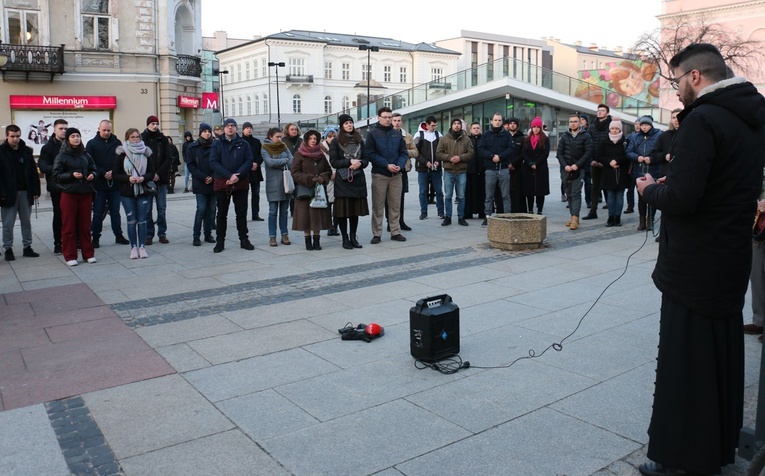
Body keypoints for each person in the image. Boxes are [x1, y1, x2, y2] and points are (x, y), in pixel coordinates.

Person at [635, 43, 765, 476]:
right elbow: (723, 182)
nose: (676, 92)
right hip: (729, 257)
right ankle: (716, 446)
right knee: (719, 358)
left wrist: (650, 189)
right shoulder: (750, 115)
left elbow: (682, 199)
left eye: (676, 81)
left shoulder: (703, 119)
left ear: (695, 77)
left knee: (685, 363)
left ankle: (679, 458)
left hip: (693, 266)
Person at [52, 128, 98, 266]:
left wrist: (93, 175)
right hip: (69, 194)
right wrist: (71, 175)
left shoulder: (85, 154)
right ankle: (70, 256)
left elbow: (93, 168)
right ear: (68, 139)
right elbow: (56, 176)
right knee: (69, 226)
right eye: (73, 136)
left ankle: (88, 254)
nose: (76, 138)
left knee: (85, 225)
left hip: (85, 192)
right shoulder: (61, 156)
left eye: (78, 136)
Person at [209, 118, 255, 253]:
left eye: (233, 126)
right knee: (221, 214)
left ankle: (244, 239)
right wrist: (229, 176)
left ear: (236, 128)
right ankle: (220, 241)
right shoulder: (217, 144)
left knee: (241, 213)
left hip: (240, 184)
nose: (230, 128)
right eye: (228, 126)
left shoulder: (243, 143)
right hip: (222, 183)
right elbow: (213, 162)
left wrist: (238, 175)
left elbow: (249, 161)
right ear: (224, 128)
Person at [366, 107, 408, 243]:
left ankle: (395, 231)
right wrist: (386, 164)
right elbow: (370, 154)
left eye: (390, 117)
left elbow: (404, 153)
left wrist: (399, 166)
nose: (388, 119)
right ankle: (377, 233)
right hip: (380, 174)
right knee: (378, 206)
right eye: (385, 117)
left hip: (396, 175)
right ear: (378, 117)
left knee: (395, 205)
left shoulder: (397, 134)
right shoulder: (373, 133)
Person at [0, 125, 41, 261]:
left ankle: (27, 247)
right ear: (7, 136)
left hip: (25, 191)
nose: (15, 139)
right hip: (8, 193)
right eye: (12, 136)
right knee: (8, 223)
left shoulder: (26, 151)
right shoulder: (1, 151)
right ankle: (8, 248)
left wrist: (36, 190)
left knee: (26, 222)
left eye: (17, 136)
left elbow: (33, 173)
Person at [87, 119, 129, 248]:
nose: (106, 132)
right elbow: (89, 162)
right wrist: (102, 172)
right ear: (99, 129)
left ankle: (118, 235)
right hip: (99, 184)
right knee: (98, 212)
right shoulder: (92, 143)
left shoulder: (117, 143)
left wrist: (113, 171)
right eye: (104, 130)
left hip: (114, 183)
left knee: (115, 212)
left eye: (108, 130)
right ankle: (95, 237)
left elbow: (121, 160)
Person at [113, 128, 155, 259]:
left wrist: (144, 178)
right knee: (131, 221)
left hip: (142, 190)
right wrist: (128, 179)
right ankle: (133, 248)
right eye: (133, 137)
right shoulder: (122, 154)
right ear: (127, 138)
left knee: (142, 221)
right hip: (127, 192)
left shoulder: (146, 153)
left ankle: (142, 247)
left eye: (137, 137)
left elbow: (152, 172)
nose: (136, 139)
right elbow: (115, 174)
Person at [329, 114, 369, 250]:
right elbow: (333, 161)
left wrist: (360, 163)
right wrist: (349, 161)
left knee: (354, 211)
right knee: (342, 211)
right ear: (341, 125)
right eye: (346, 123)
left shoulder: (359, 140)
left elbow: (366, 159)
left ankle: (353, 237)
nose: (349, 125)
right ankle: (345, 238)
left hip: (357, 178)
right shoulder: (335, 141)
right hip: (343, 179)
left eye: (350, 122)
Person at [291, 130, 332, 250]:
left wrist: (322, 178)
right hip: (305, 190)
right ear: (306, 140)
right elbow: (294, 172)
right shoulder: (299, 154)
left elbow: (328, 170)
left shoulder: (321, 155)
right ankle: (308, 241)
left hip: (319, 190)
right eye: (311, 138)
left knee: (317, 216)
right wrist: (309, 179)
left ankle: (317, 240)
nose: (313, 141)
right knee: (305, 217)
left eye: (315, 139)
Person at [556, 114, 592, 230]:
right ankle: (572, 215)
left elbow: (588, 152)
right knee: (569, 193)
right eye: (571, 121)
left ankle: (575, 217)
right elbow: (559, 153)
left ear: (580, 123)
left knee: (576, 193)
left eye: (575, 121)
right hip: (566, 170)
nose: (573, 123)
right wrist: (565, 165)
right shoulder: (564, 137)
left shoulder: (585, 136)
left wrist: (577, 165)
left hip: (579, 169)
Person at [141, 115, 173, 245]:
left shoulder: (163, 139)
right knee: (147, 209)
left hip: (161, 179)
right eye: (152, 123)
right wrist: (150, 174)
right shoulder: (142, 138)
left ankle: (162, 233)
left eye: (156, 123)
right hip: (148, 178)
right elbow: (142, 159)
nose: (155, 126)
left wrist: (159, 174)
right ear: (148, 125)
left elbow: (168, 158)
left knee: (161, 208)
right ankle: (149, 234)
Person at [478, 113, 514, 226]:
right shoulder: (486, 135)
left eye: (499, 120)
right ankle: (487, 217)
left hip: (503, 169)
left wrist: (500, 157)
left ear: (502, 122)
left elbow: (511, 148)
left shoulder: (507, 135)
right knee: (489, 195)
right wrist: (491, 156)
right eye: (495, 120)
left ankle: (507, 216)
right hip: (490, 170)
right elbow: (480, 149)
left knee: (505, 195)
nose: (497, 122)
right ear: (492, 121)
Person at [627, 115, 661, 231]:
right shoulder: (635, 137)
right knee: (641, 198)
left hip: (653, 171)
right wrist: (638, 157)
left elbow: (660, 153)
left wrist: (652, 158)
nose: (644, 127)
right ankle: (642, 221)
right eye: (642, 125)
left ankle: (650, 221)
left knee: (652, 197)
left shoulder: (659, 136)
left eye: (646, 125)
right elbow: (629, 152)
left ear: (651, 125)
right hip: (639, 171)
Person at [38, 119, 68, 254]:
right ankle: (58, 243)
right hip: (56, 187)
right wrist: (58, 169)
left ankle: (75, 240)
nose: (63, 131)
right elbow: (42, 166)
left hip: (72, 186)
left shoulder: (71, 145)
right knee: (59, 215)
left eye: (65, 128)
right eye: (61, 128)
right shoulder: (48, 147)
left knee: (72, 215)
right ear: (54, 130)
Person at [436, 117, 473, 226]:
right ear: (451, 125)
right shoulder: (444, 139)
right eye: (454, 123)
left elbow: (471, 153)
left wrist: (460, 158)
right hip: (448, 170)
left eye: (458, 124)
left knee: (461, 196)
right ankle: (448, 217)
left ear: (461, 126)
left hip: (461, 171)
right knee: (448, 195)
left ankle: (461, 217)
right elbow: (439, 153)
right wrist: (449, 158)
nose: (457, 125)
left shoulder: (466, 139)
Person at [184, 123, 216, 247]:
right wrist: (204, 177)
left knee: (211, 209)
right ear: (200, 132)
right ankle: (196, 236)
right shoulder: (192, 147)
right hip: (200, 182)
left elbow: (218, 162)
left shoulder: (215, 146)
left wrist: (212, 177)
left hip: (213, 182)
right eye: (205, 131)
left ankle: (208, 234)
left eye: (209, 131)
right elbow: (191, 165)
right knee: (201, 209)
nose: (207, 133)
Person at [261, 127, 293, 247]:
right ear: (270, 137)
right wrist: (284, 161)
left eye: (280, 137)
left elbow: (292, 161)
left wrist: (281, 162)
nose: (280, 139)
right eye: (277, 137)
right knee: (273, 211)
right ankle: (272, 236)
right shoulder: (265, 148)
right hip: (273, 183)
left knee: (284, 211)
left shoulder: (284, 146)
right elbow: (269, 163)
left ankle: (284, 235)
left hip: (285, 183)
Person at [582, 104, 613, 220]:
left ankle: (612, 212)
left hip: (608, 163)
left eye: (602, 110)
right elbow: (588, 145)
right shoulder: (592, 127)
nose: (599, 112)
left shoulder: (612, 125)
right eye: (598, 110)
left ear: (607, 113)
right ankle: (593, 211)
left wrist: (607, 161)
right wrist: (591, 160)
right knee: (595, 187)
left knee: (609, 187)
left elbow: (614, 144)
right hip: (594, 162)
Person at [598, 119, 629, 227]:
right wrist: (609, 162)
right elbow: (600, 156)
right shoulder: (604, 141)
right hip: (608, 171)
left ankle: (617, 217)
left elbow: (628, 155)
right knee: (610, 195)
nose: (614, 130)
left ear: (620, 129)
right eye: (612, 128)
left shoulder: (625, 142)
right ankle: (610, 217)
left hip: (621, 172)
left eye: (616, 128)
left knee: (620, 196)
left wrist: (617, 161)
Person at [413, 116, 444, 220]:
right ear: (426, 125)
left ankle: (440, 212)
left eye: (435, 125)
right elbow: (416, 152)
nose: (434, 127)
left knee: (439, 191)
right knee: (423, 191)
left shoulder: (438, 135)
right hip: (423, 168)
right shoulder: (419, 135)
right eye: (432, 125)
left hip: (436, 168)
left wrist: (437, 161)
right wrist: (425, 162)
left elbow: (442, 151)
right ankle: (423, 212)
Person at [389, 113, 416, 231]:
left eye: (399, 120)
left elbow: (415, 152)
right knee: (388, 198)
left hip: (403, 169)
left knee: (401, 197)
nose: (396, 122)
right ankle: (390, 222)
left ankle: (401, 221)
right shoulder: (387, 135)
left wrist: (404, 152)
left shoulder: (408, 136)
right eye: (394, 120)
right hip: (390, 169)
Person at [520, 117, 550, 214]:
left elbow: (545, 153)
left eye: (538, 127)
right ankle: (530, 210)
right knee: (529, 191)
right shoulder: (527, 140)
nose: (536, 129)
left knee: (540, 191)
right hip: (528, 168)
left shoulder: (545, 139)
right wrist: (530, 163)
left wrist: (536, 163)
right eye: (534, 127)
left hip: (540, 167)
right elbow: (523, 153)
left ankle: (540, 210)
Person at [241, 122, 264, 221]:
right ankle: (243, 214)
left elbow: (261, 155)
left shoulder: (257, 141)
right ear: (243, 130)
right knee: (244, 195)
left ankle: (255, 214)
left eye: (250, 128)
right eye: (246, 128)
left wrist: (257, 163)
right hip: (245, 170)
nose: (249, 129)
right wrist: (249, 164)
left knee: (256, 193)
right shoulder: (240, 141)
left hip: (256, 170)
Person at [320, 127, 340, 236]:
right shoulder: (321, 148)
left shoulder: (338, 146)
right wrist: (329, 173)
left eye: (334, 136)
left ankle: (335, 227)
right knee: (328, 203)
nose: (332, 138)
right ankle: (329, 225)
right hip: (327, 178)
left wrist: (336, 172)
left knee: (337, 203)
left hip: (337, 177)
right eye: (329, 136)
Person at [464, 121, 485, 220]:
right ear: (471, 130)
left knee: (482, 192)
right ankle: (468, 212)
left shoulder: (484, 139)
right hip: (470, 170)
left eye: (478, 128)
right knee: (469, 192)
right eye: (474, 128)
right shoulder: (467, 140)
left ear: (480, 129)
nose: (476, 129)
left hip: (482, 170)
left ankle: (482, 212)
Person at [505, 117, 526, 213]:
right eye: (510, 123)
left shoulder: (522, 138)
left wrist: (513, 163)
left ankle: (518, 210)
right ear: (508, 125)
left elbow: (523, 153)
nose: (512, 125)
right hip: (506, 167)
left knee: (518, 191)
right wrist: (508, 163)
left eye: (514, 123)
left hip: (518, 168)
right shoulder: (504, 137)